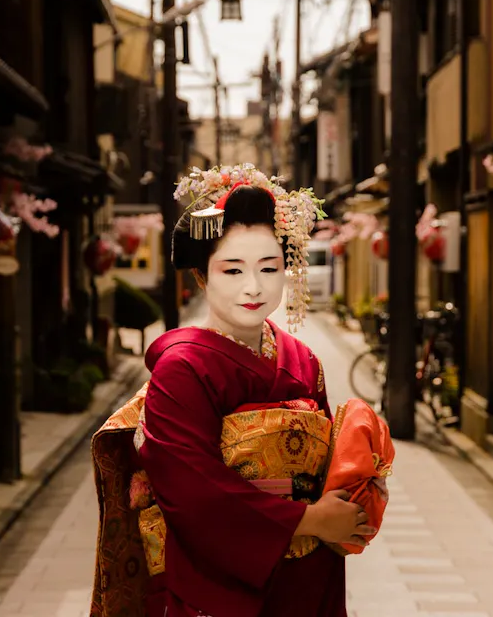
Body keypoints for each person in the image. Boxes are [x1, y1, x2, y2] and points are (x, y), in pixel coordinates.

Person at [91, 165, 392, 617]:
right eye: (232, 270)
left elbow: (330, 462)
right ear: (200, 277)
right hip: (220, 577)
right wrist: (309, 519)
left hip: (309, 571)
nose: (253, 287)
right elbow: (192, 491)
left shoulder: (303, 360)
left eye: (269, 268)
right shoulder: (182, 368)